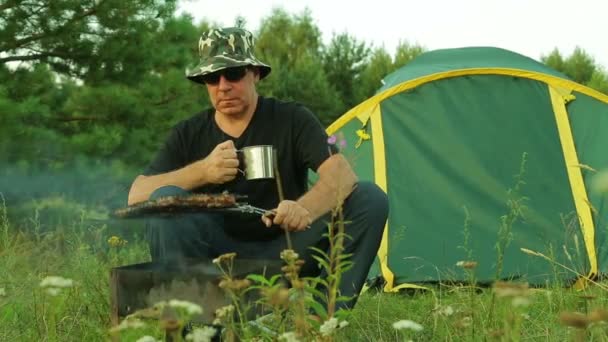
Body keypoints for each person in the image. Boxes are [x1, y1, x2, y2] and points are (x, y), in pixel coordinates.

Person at [127, 27, 389, 312]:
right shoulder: (188, 133)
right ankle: (196, 320)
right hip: (217, 259)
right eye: (212, 78)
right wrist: (203, 171)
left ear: (255, 74)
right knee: (165, 199)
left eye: (234, 74)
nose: (223, 85)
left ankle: (322, 318)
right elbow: (137, 195)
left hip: (287, 251)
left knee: (369, 198)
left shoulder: (291, 118)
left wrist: (304, 209)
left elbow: (342, 175)